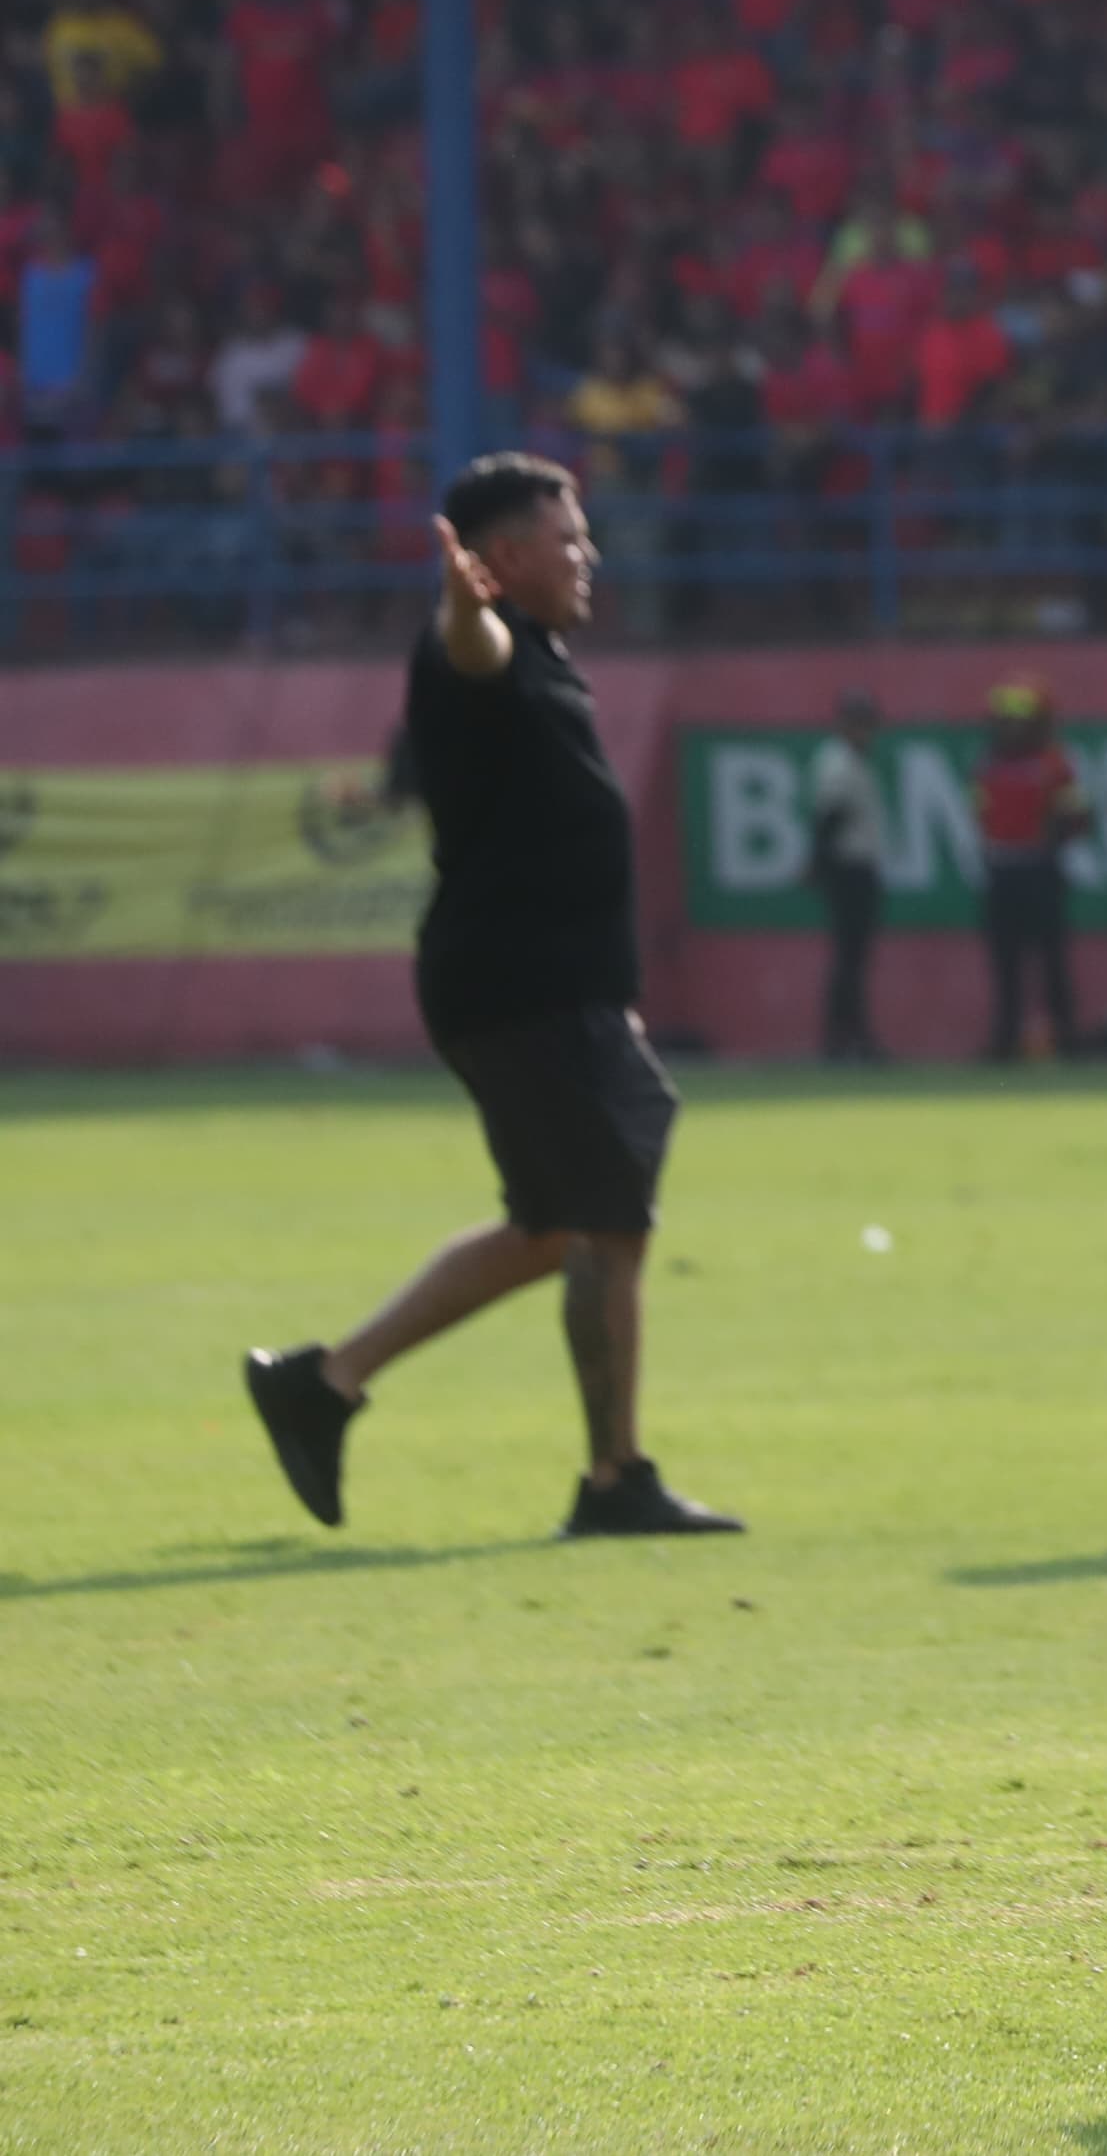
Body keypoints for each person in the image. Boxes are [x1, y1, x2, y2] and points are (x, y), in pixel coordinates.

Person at [243, 456, 740, 1539]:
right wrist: (463, 606)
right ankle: (613, 1480)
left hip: (552, 990)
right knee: (604, 1221)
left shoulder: (547, 658)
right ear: (500, 559)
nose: (588, 555)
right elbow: (477, 646)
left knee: (557, 1222)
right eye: (567, 539)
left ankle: (321, 1382)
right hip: (525, 989)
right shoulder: (477, 646)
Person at [974, 683, 1085, 1062]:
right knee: (1005, 961)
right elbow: (981, 815)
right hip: (1002, 866)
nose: (1013, 730)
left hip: (1040, 867)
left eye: (1023, 721)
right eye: (1007, 721)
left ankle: (1066, 1037)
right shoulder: (987, 764)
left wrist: (1055, 832)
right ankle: (1005, 1040)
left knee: (1052, 959)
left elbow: (1078, 817)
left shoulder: (1056, 765)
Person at [807, 687, 888, 1066]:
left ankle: (849, 1035)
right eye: (858, 724)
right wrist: (819, 861)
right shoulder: (839, 762)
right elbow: (831, 817)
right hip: (848, 867)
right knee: (849, 958)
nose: (865, 731)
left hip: (856, 866)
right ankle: (845, 1037)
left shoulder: (851, 760)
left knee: (853, 958)